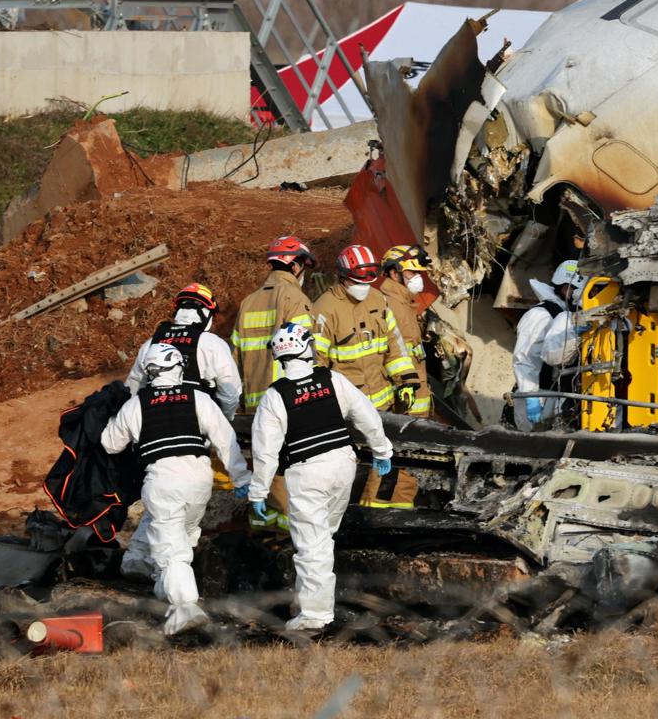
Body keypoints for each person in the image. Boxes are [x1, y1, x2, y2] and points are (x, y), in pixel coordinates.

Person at [247, 322, 393, 633]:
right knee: (322, 537)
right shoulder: (332, 379)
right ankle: (304, 603)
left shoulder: (275, 397)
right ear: (306, 349)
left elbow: (265, 452)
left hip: (307, 470)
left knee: (312, 545)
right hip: (343, 464)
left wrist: (258, 491)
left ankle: (315, 616)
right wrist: (382, 451)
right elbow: (366, 414)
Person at [101, 342, 249, 636]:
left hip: (163, 480)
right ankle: (165, 591)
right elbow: (225, 439)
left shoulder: (137, 404)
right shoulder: (197, 397)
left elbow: (110, 443)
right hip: (199, 480)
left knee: (171, 550)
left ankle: (185, 608)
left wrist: (109, 418)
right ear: (179, 367)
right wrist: (241, 478)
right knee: (184, 537)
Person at [308, 244, 421, 506]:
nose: (363, 287)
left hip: (383, 404)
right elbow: (317, 364)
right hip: (347, 410)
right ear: (342, 276)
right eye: (358, 281)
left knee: (383, 465)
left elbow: (395, 345)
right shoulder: (325, 309)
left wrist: (406, 380)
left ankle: (378, 516)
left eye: (369, 281)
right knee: (351, 471)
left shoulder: (377, 299)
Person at [125, 282, 240, 418]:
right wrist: (224, 419)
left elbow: (133, 388)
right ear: (207, 314)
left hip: (155, 421)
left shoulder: (151, 343)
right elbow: (230, 391)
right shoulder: (212, 343)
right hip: (196, 426)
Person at [231, 236, 317, 417]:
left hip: (254, 406)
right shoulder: (295, 299)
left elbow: (235, 357)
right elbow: (307, 353)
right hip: (289, 402)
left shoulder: (248, 302)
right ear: (295, 266)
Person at [511, 259, 582, 429]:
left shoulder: (569, 316)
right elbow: (525, 358)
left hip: (556, 394)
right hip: (538, 395)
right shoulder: (542, 314)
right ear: (565, 288)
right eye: (576, 289)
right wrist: (530, 395)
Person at [378, 244, 435, 419]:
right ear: (395, 274)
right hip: (408, 401)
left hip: (416, 391)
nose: (418, 278)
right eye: (412, 273)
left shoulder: (403, 303)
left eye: (419, 273)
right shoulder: (390, 306)